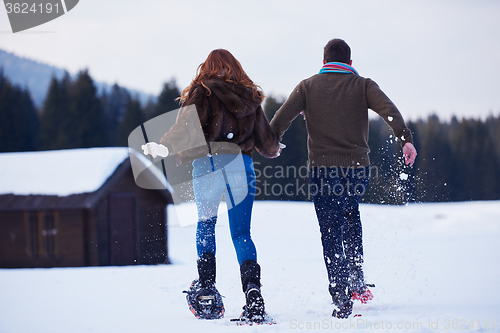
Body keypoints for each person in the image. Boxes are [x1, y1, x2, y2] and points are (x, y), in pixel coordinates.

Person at [269, 38, 417, 319]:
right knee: (350, 214)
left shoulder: (307, 86)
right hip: (358, 169)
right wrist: (405, 140)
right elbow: (389, 110)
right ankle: (356, 278)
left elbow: (281, 117)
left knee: (330, 229)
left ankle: (341, 295)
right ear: (350, 63)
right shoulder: (363, 85)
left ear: (324, 62)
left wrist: (271, 142)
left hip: (323, 170)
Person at [142, 49, 281, 322]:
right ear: (235, 67)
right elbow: (267, 142)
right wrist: (275, 148)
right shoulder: (249, 96)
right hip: (241, 165)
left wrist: (163, 146)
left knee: (206, 225)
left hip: (207, 164)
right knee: (242, 233)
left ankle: (206, 289)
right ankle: (253, 295)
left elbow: (183, 128)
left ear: (206, 67)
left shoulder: (201, 91)